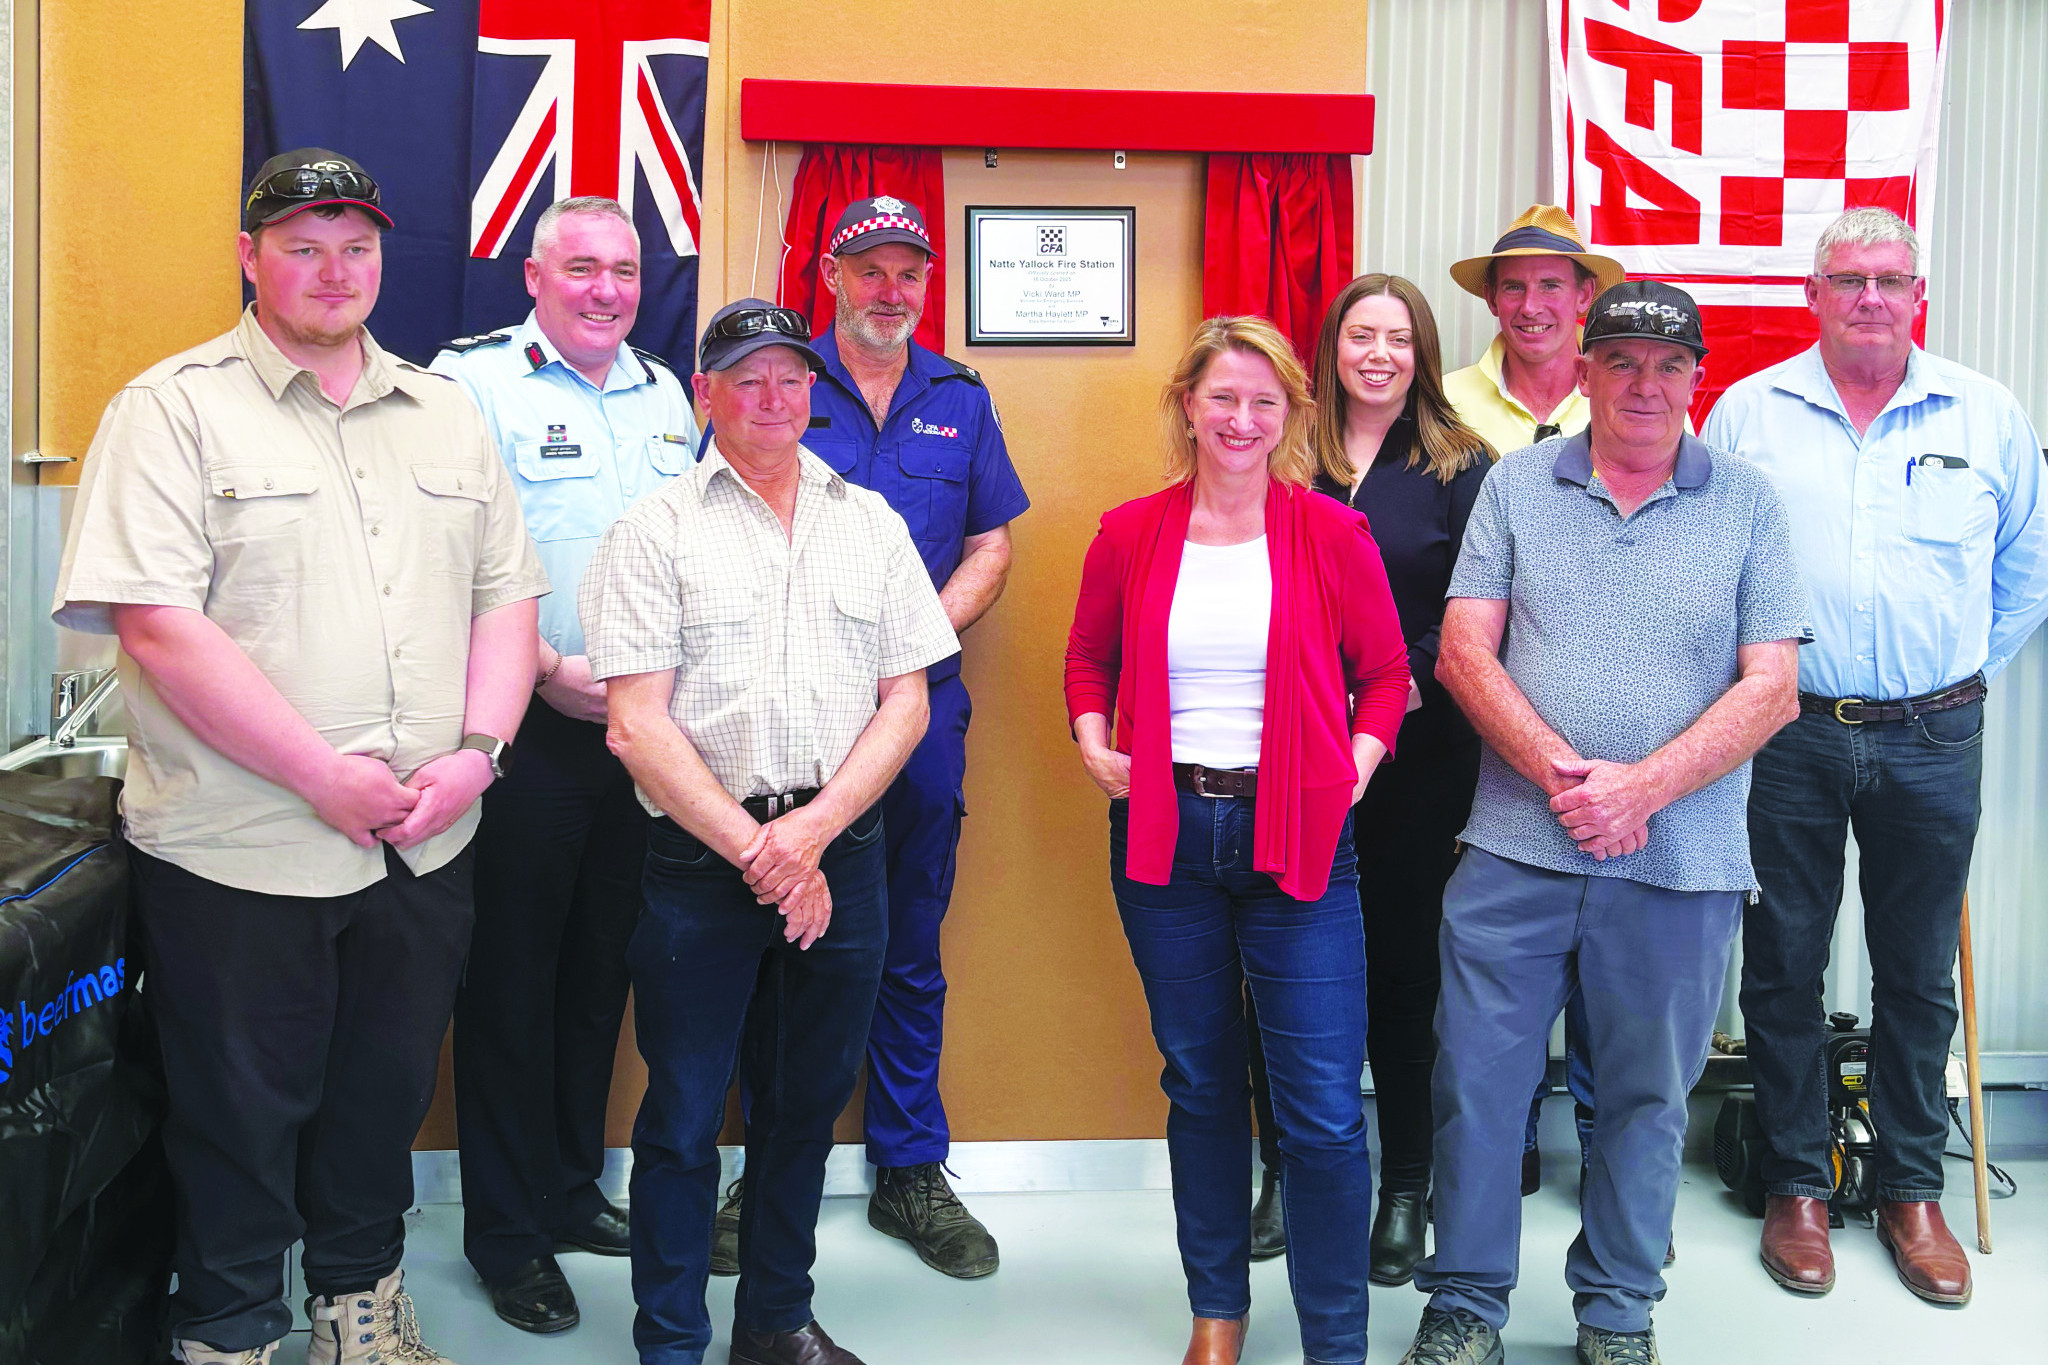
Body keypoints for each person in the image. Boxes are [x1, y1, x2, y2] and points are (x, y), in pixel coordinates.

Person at [51, 149, 548, 1365]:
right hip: (241, 844)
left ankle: (357, 1309)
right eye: (303, 244)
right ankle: (229, 1329)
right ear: (248, 255)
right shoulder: (168, 410)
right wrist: (323, 776)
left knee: (380, 1099)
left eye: (357, 245)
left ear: (384, 257)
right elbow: (161, 628)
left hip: (426, 842)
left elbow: (506, 600)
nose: (335, 270)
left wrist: (479, 753)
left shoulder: (444, 412)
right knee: (233, 1112)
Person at [1404, 282, 1809, 1365]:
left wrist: (1641, 790)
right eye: (1620, 360)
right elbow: (1460, 653)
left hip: (1679, 860)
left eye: (1666, 365)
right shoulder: (1515, 488)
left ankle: (1617, 1313)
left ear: (1696, 378)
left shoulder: (1749, 504)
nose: (1643, 384)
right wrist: (1566, 780)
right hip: (1512, 849)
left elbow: (1770, 686)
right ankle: (1463, 1305)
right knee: (1475, 1086)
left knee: (1642, 1100)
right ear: (1581, 370)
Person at [581, 299, 959, 1365]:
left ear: (811, 393)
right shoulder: (652, 530)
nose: (772, 398)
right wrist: (763, 853)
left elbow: (906, 701)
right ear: (705, 395)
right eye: (746, 379)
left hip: (839, 864)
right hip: (703, 869)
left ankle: (775, 1324)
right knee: (684, 1116)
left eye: (790, 378)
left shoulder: (869, 523)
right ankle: (669, 1341)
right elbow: (636, 724)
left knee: (801, 1111)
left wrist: (814, 835)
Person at [1704, 207, 2048, 1308]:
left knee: (1913, 976)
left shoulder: (1985, 413)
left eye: (1886, 279)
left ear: (1917, 298)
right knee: (1782, 963)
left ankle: (1908, 1189)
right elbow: (1710, 567)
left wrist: (1947, 676)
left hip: (1934, 734)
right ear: (1810, 296)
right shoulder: (1749, 414)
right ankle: (1796, 1186)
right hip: (1789, 730)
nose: (1865, 296)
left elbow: (2024, 575)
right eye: (1844, 278)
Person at [1065, 315, 1411, 1365]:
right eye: (1223, 397)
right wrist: (1091, 740)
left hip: (1298, 840)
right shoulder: (1130, 534)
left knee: (1317, 1113)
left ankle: (1334, 1339)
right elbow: (1088, 660)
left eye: (1264, 402)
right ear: (1187, 405)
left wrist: (1351, 768)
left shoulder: (1328, 534)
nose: (1242, 418)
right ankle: (1216, 1307)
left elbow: (1387, 675)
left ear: (1289, 416)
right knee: (1202, 1085)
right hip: (1167, 840)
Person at [708, 195, 1028, 1281]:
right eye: (870, 270)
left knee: (907, 939)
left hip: (921, 710)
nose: (891, 291)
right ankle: (766, 1163)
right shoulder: (781, 385)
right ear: (831, 276)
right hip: (790, 714)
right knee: (773, 933)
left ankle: (907, 1169)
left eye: (909, 273)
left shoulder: (959, 400)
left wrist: (915, 636)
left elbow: (989, 545)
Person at [429, 195, 699, 1333]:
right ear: (532, 276)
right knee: (511, 983)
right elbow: (439, 548)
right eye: (580, 267)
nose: (605, 289)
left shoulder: (664, 391)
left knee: (602, 976)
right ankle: (505, 1231)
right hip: (524, 725)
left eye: (624, 270)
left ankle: (572, 1184)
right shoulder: (467, 385)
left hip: (646, 736)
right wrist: (539, 666)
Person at [1234, 274, 1491, 1284]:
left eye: (1395, 337)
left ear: (1419, 352)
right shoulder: (1281, 454)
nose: (1375, 353)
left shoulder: (1462, 467)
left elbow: (1474, 614)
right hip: (1282, 757)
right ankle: (1284, 1171)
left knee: (1399, 975)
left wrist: (1379, 705)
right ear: (1330, 346)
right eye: (1358, 335)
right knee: (1276, 972)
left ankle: (1404, 1189)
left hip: (1415, 762)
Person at [1444, 205, 1628, 1197]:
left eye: (1550, 285)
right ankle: (1500, 1138)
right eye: (1510, 286)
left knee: (1612, 947)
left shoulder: (1632, 405)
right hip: (1473, 725)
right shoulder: (1445, 405)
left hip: (1607, 720)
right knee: (1493, 952)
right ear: (1489, 300)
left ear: (1583, 298)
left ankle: (1608, 1152)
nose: (1529, 305)